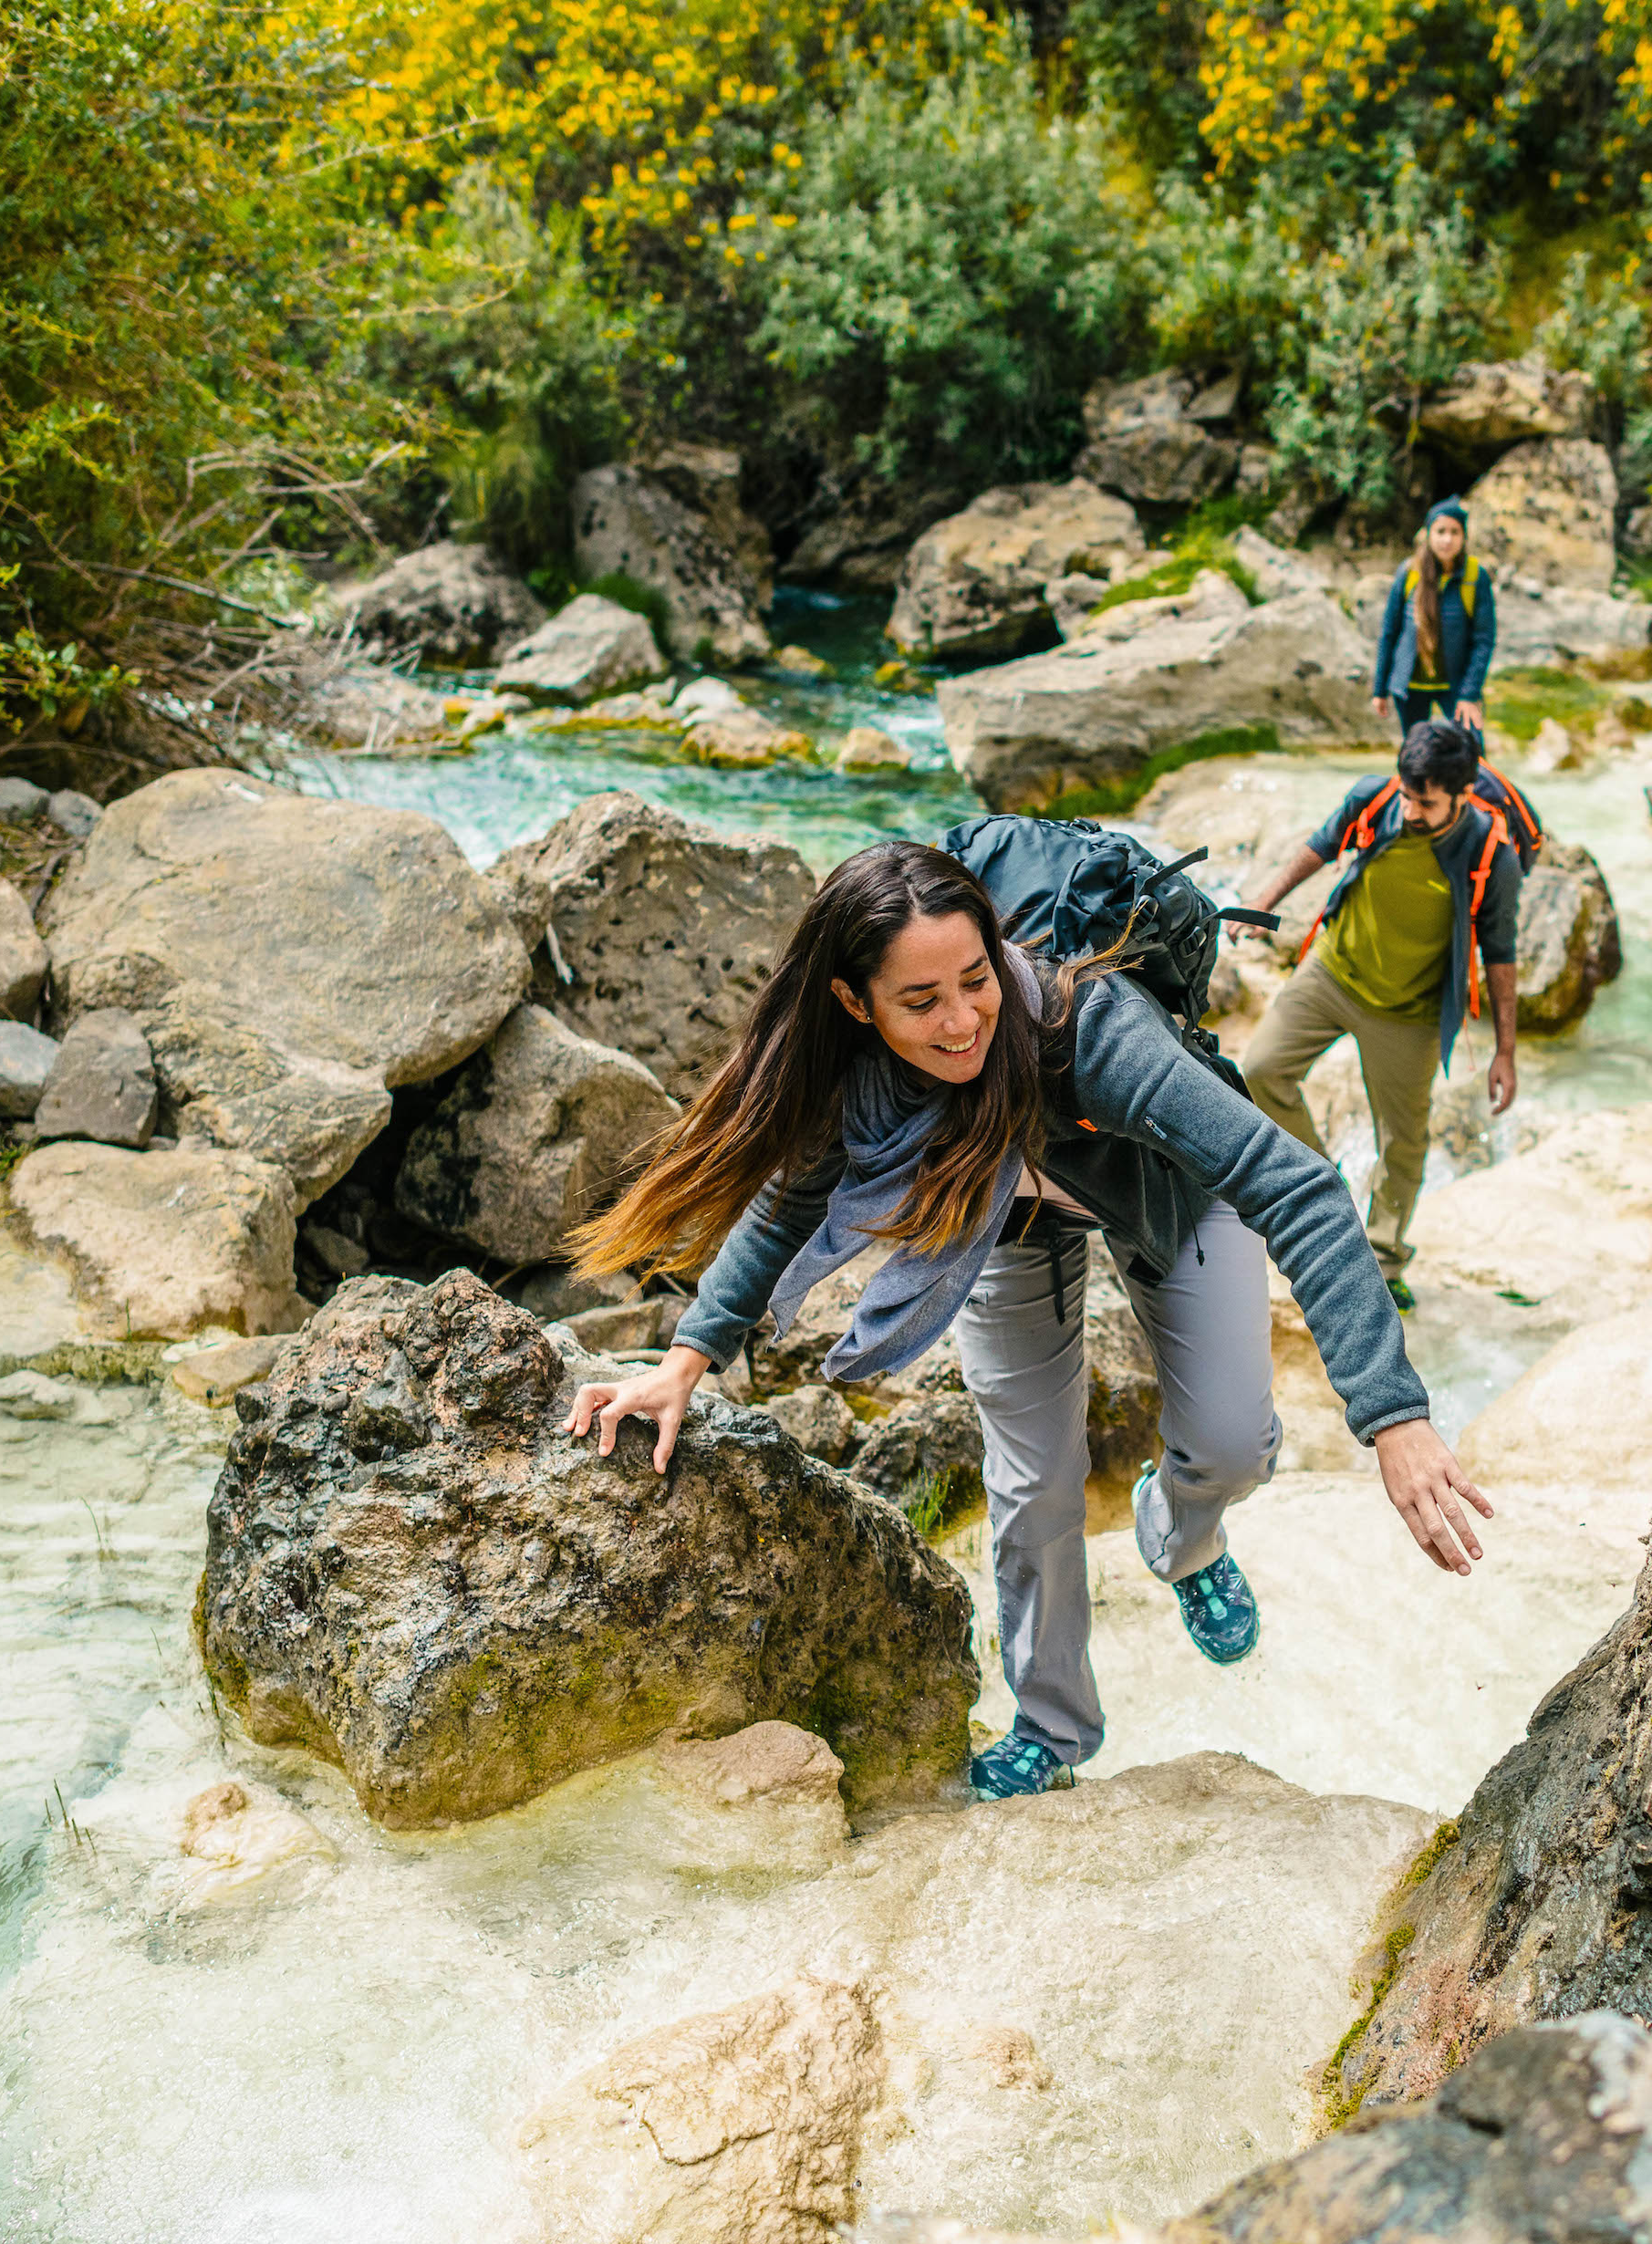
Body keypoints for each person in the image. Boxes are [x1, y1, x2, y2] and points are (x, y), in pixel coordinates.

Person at [559, 841, 1495, 1803]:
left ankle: (1182, 1537)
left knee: (1231, 1446)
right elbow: (785, 1205)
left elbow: (1295, 1187)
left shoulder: (1085, 1027)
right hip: (996, 1222)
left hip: (1160, 1191)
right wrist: (686, 1359)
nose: (962, 1021)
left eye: (976, 981)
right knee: (1031, 1482)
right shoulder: (851, 1077)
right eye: (920, 1003)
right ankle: (1051, 1728)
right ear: (854, 1002)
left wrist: (1391, 1413)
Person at [1234, 719, 1522, 1308]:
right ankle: (1324, 1184)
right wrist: (1260, 902)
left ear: (1463, 795)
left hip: (1410, 1012)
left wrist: (1506, 1052)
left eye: (1427, 801)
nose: (1412, 809)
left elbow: (1501, 956)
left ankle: (1384, 1259)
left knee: (1404, 1142)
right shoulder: (1376, 798)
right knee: (1259, 1069)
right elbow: (1318, 846)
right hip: (1333, 972)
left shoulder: (1492, 857)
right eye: (1409, 794)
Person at [1370, 502, 1493, 738]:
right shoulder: (1408, 572)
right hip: (1410, 685)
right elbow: (1390, 631)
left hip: (1456, 684)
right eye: (1440, 532)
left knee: (1472, 752)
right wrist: (1380, 689)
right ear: (1428, 535)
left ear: (1463, 537)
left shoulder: (1475, 576)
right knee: (1417, 760)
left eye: (1454, 532)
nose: (1447, 540)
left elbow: (1484, 640)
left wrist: (1469, 694)